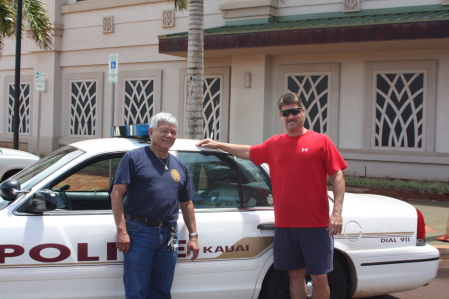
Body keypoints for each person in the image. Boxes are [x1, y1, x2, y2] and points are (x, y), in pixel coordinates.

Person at [196, 93, 347, 299]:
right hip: (285, 225)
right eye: (286, 113)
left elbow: (337, 174)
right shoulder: (275, 143)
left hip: (316, 225)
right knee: (294, 276)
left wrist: (337, 212)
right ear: (280, 116)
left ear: (303, 112)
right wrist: (219, 145)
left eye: (294, 111)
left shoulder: (321, 141)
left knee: (320, 277)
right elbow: (248, 152)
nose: (290, 116)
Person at [111, 112, 199, 299]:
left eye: (173, 132)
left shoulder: (180, 166)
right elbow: (117, 193)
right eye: (164, 131)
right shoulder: (134, 158)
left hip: (169, 233)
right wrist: (122, 230)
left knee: (161, 290)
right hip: (139, 232)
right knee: (137, 291)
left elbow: (187, 203)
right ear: (151, 132)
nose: (169, 136)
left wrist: (193, 236)